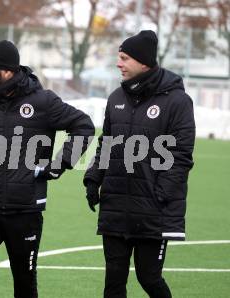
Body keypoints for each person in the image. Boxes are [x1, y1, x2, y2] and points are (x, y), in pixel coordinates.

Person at [0, 40, 95, 298]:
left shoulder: (43, 101)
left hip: (25, 212)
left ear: (6, 71)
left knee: (25, 287)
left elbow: (84, 126)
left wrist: (59, 164)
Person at [83, 30, 195, 298]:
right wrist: (93, 178)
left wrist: (161, 193)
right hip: (116, 205)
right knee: (113, 283)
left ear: (143, 61)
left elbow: (181, 155)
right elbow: (106, 143)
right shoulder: (115, 98)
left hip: (152, 209)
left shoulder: (177, 101)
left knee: (149, 278)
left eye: (124, 58)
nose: (118, 63)